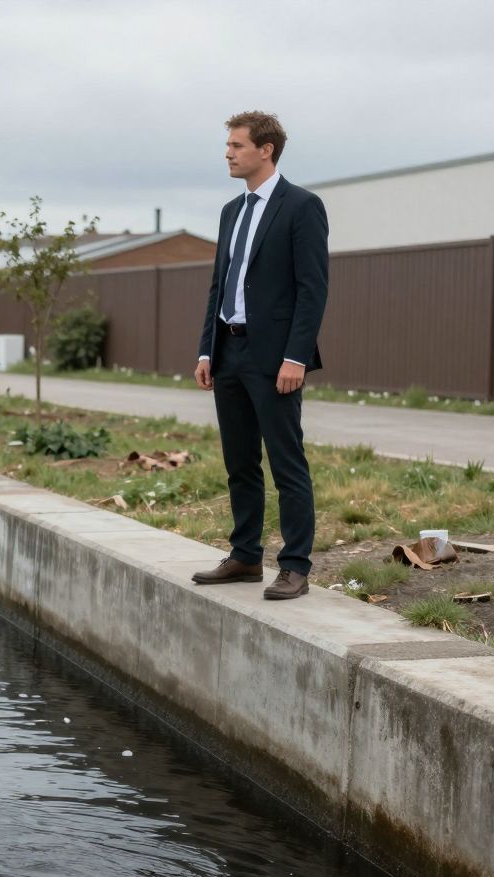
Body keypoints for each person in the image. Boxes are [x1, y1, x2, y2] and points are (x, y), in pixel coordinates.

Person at [191, 110, 328, 602]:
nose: (228, 153)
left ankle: (294, 566)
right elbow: (218, 286)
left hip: (275, 359)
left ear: (265, 149)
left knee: (286, 461)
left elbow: (312, 290)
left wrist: (295, 357)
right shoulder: (231, 211)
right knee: (239, 461)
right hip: (228, 352)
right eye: (228, 145)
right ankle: (246, 556)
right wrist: (207, 348)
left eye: (237, 145)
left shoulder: (302, 206)